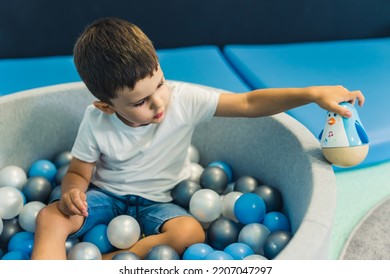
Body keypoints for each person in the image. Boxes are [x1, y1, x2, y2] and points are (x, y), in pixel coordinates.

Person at [31, 17, 365, 260]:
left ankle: (115, 263)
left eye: (159, 84)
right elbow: (77, 172)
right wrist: (73, 192)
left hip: (157, 203)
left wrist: (311, 94)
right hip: (106, 195)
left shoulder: (184, 99)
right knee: (50, 217)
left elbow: (249, 103)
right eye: (140, 102)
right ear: (106, 105)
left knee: (191, 233)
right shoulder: (96, 120)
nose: (159, 102)